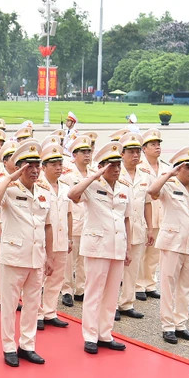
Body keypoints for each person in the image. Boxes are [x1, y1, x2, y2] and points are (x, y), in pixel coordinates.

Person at [0, 141, 53, 367]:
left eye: (38, 165)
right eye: (29, 166)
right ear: (19, 168)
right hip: (14, 256)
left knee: (33, 304)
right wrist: (10, 177)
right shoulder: (9, 189)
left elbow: (48, 226)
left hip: (37, 256)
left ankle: (27, 345)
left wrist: (50, 256)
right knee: (9, 304)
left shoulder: (45, 191)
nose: (35, 170)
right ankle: (8, 346)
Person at [67, 142, 131, 355]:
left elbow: (126, 219)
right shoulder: (91, 186)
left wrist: (128, 247)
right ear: (102, 166)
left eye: (117, 165)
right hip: (97, 246)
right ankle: (90, 336)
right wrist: (94, 176)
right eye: (111, 166)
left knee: (112, 293)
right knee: (94, 292)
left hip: (117, 246)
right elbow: (72, 195)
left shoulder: (123, 187)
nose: (115, 169)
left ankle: (105, 333)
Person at [148, 146, 189, 344]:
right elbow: (151, 191)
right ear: (177, 169)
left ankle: (181, 324)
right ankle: (168, 326)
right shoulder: (169, 186)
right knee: (168, 285)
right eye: (187, 167)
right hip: (171, 243)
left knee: (186, 287)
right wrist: (168, 174)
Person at [116, 133, 153, 320]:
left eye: (138, 152)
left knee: (133, 268)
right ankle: (112, 304)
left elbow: (147, 202)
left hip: (138, 227)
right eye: (131, 152)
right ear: (122, 154)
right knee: (115, 269)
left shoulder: (145, 175)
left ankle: (127, 303)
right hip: (118, 228)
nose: (135, 156)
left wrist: (151, 227)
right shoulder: (115, 172)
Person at [37, 141, 72, 330]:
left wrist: (70, 238)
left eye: (60, 164)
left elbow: (69, 214)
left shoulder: (65, 187)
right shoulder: (38, 187)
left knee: (57, 278)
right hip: (42, 241)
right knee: (37, 279)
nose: (58, 168)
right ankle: (36, 313)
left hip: (61, 239)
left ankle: (50, 311)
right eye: (53, 164)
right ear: (44, 167)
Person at [60, 135, 94, 306]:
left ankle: (81, 288)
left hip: (89, 221)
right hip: (73, 219)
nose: (87, 155)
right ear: (74, 155)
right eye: (83, 152)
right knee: (69, 259)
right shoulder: (67, 174)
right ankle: (67, 289)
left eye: (89, 151)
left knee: (84, 259)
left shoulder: (94, 173)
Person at [135, 128, 169, 301]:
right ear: (144, 148)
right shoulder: (140, 168)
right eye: (153, 145)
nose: (157, 147)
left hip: (161, 215)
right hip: (144, 215)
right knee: (142, 252)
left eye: (158, 144)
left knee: (154, 252)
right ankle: (138, 285)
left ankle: (149, 283)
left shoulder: (165, 167)